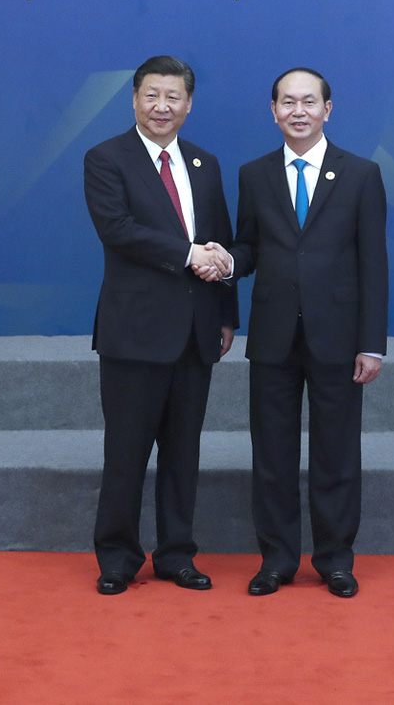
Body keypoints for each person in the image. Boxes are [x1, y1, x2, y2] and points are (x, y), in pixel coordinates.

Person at [202, 67, 388, 598]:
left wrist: (371, 344)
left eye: (309, 102)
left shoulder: (361, 174)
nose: (298, 111)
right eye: (288, 102)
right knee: (272, 454)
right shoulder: (254, 174)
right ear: (273, 111)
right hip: (273, 336)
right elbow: (250, 246)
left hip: (339, 338)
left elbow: (374, 263)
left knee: (336, 453)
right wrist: (226, 262)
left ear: (328, 110)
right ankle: (277, 561)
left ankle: (335, 561)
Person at [84, 55, 236, 595]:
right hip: (135, 332)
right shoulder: (106, 158)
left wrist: (226, 314)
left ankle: (176, 554)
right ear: (134, 99)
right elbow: (117, 229)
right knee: (126, 453)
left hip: (196, 333)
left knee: (182, 453)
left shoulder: (204, 163)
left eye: (173, 97)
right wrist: (189, 254)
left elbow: (219, 239)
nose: (161, 106)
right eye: (152, 95)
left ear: (188, 104)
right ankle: (118, 557)